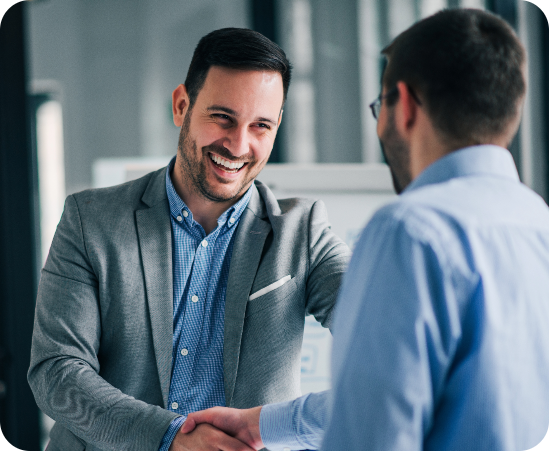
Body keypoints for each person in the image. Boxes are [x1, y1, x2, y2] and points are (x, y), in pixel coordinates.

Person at [180, 8, 549, 451]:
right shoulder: (538, 221)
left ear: (406, 106)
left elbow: (372, 430)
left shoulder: (410, 231)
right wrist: (266, 424)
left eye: (380, 105)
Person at [28, 28, 350, 451]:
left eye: (261, 126)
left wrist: (282, 425)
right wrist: (169, 438)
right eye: (223, 117)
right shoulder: (91, 220)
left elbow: (389, 338)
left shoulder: (303, 232)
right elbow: (57, 372)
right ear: (182, 105)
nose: (238, 145)